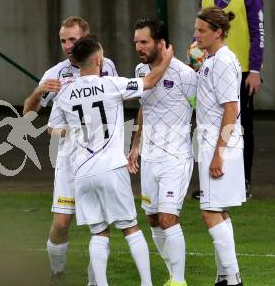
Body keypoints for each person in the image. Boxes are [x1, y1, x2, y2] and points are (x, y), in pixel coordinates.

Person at [48, 36, 173, 286]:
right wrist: (166, 59)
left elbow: (52, 129)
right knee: (130, 228)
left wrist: (73, 130)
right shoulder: (111, 85)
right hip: (111, 167)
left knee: (98, 232)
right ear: (98, 60)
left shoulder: (65, 93)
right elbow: (149, 81)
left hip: (82, 172)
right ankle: (147, 284)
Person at [22, 16, 118, 285]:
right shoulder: (55, 74)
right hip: (69, 159)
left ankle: (95, 281)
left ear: (86, 38)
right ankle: (56, 274)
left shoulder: (105, 66)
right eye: (63, 40)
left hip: (100, 156)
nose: (67, 45)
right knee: (62, 222)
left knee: (100, 225)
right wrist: (38, 92)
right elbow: (28, 115)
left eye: (73, 39)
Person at [128, 18, 197, 286]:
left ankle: (178, 281)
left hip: (176, 158)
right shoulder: (140, 70)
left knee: (169, 218)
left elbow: (198, 108)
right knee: (153, 219)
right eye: (136, 42)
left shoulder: (185, 75)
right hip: (150, 158)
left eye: (144, 42)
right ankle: (172, 273)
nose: (138, 47)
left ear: (160, 42)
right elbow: (144, 106)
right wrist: (136, 145)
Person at [194, 0, 264, 199]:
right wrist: (195, 60)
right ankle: (211, 179)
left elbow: (257, 33)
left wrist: (255, 70)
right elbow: (199, 31)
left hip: (240, 71)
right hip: (209, 65)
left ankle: (242, 180)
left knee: (241, 125)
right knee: (209, 121)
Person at [194, 7, 246, 286]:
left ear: (218, 32)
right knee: (219, 211)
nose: (196, 35)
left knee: (209, 211)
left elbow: (231, 108)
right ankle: (223, 278)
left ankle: (234, 279)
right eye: (196, 29)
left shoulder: (223, 61)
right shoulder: (212, 59)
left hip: (220, 144)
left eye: (202, 30)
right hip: (212, 142)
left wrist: (219, 152)